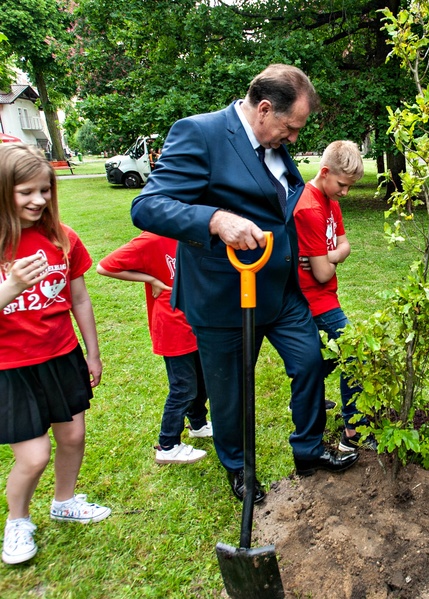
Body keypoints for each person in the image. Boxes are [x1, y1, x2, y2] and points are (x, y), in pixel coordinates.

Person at [130, 64, 359, 505]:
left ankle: (309, 451)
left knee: (311, 362)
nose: (293, 139)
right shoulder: (200, 134)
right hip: (223, 296)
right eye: (291, 128)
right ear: (265, 109)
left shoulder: (274, 143)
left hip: (280, 289)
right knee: (231, 391)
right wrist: (214, 219)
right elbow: (148, 205)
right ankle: (238, 467)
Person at [0, 143, 111, 565]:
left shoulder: (62, 239)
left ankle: (64, 501)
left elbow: (79, 299)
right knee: (34, 456)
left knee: (73, 437)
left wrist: (92, 353)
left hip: (61, 356)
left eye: (45, 190)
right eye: (25, 192)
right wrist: (10, 288)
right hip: (10, 368)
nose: (38, 200)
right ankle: (17, 521)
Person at [97, 232, 212, 465]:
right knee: (183, 388)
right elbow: (104, 267)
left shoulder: (195, 232)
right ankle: (168, 445)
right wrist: (151, 280)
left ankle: (198, 424)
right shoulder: (151, 239)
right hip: (171, 327)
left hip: (196, 321)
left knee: (202, 381)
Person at [293, 140, 375, 452]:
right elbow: (323, 273)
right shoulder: (310, 208)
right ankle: (352, 431)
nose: (345, 193)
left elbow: (345, 246)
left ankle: (303, 398)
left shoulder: (331, 203)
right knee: (353, 350)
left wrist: (328, 255)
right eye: (342, 184)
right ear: (325, 172)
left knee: (319, 358)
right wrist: (331, 258)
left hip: (326, 293)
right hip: (313, 298)